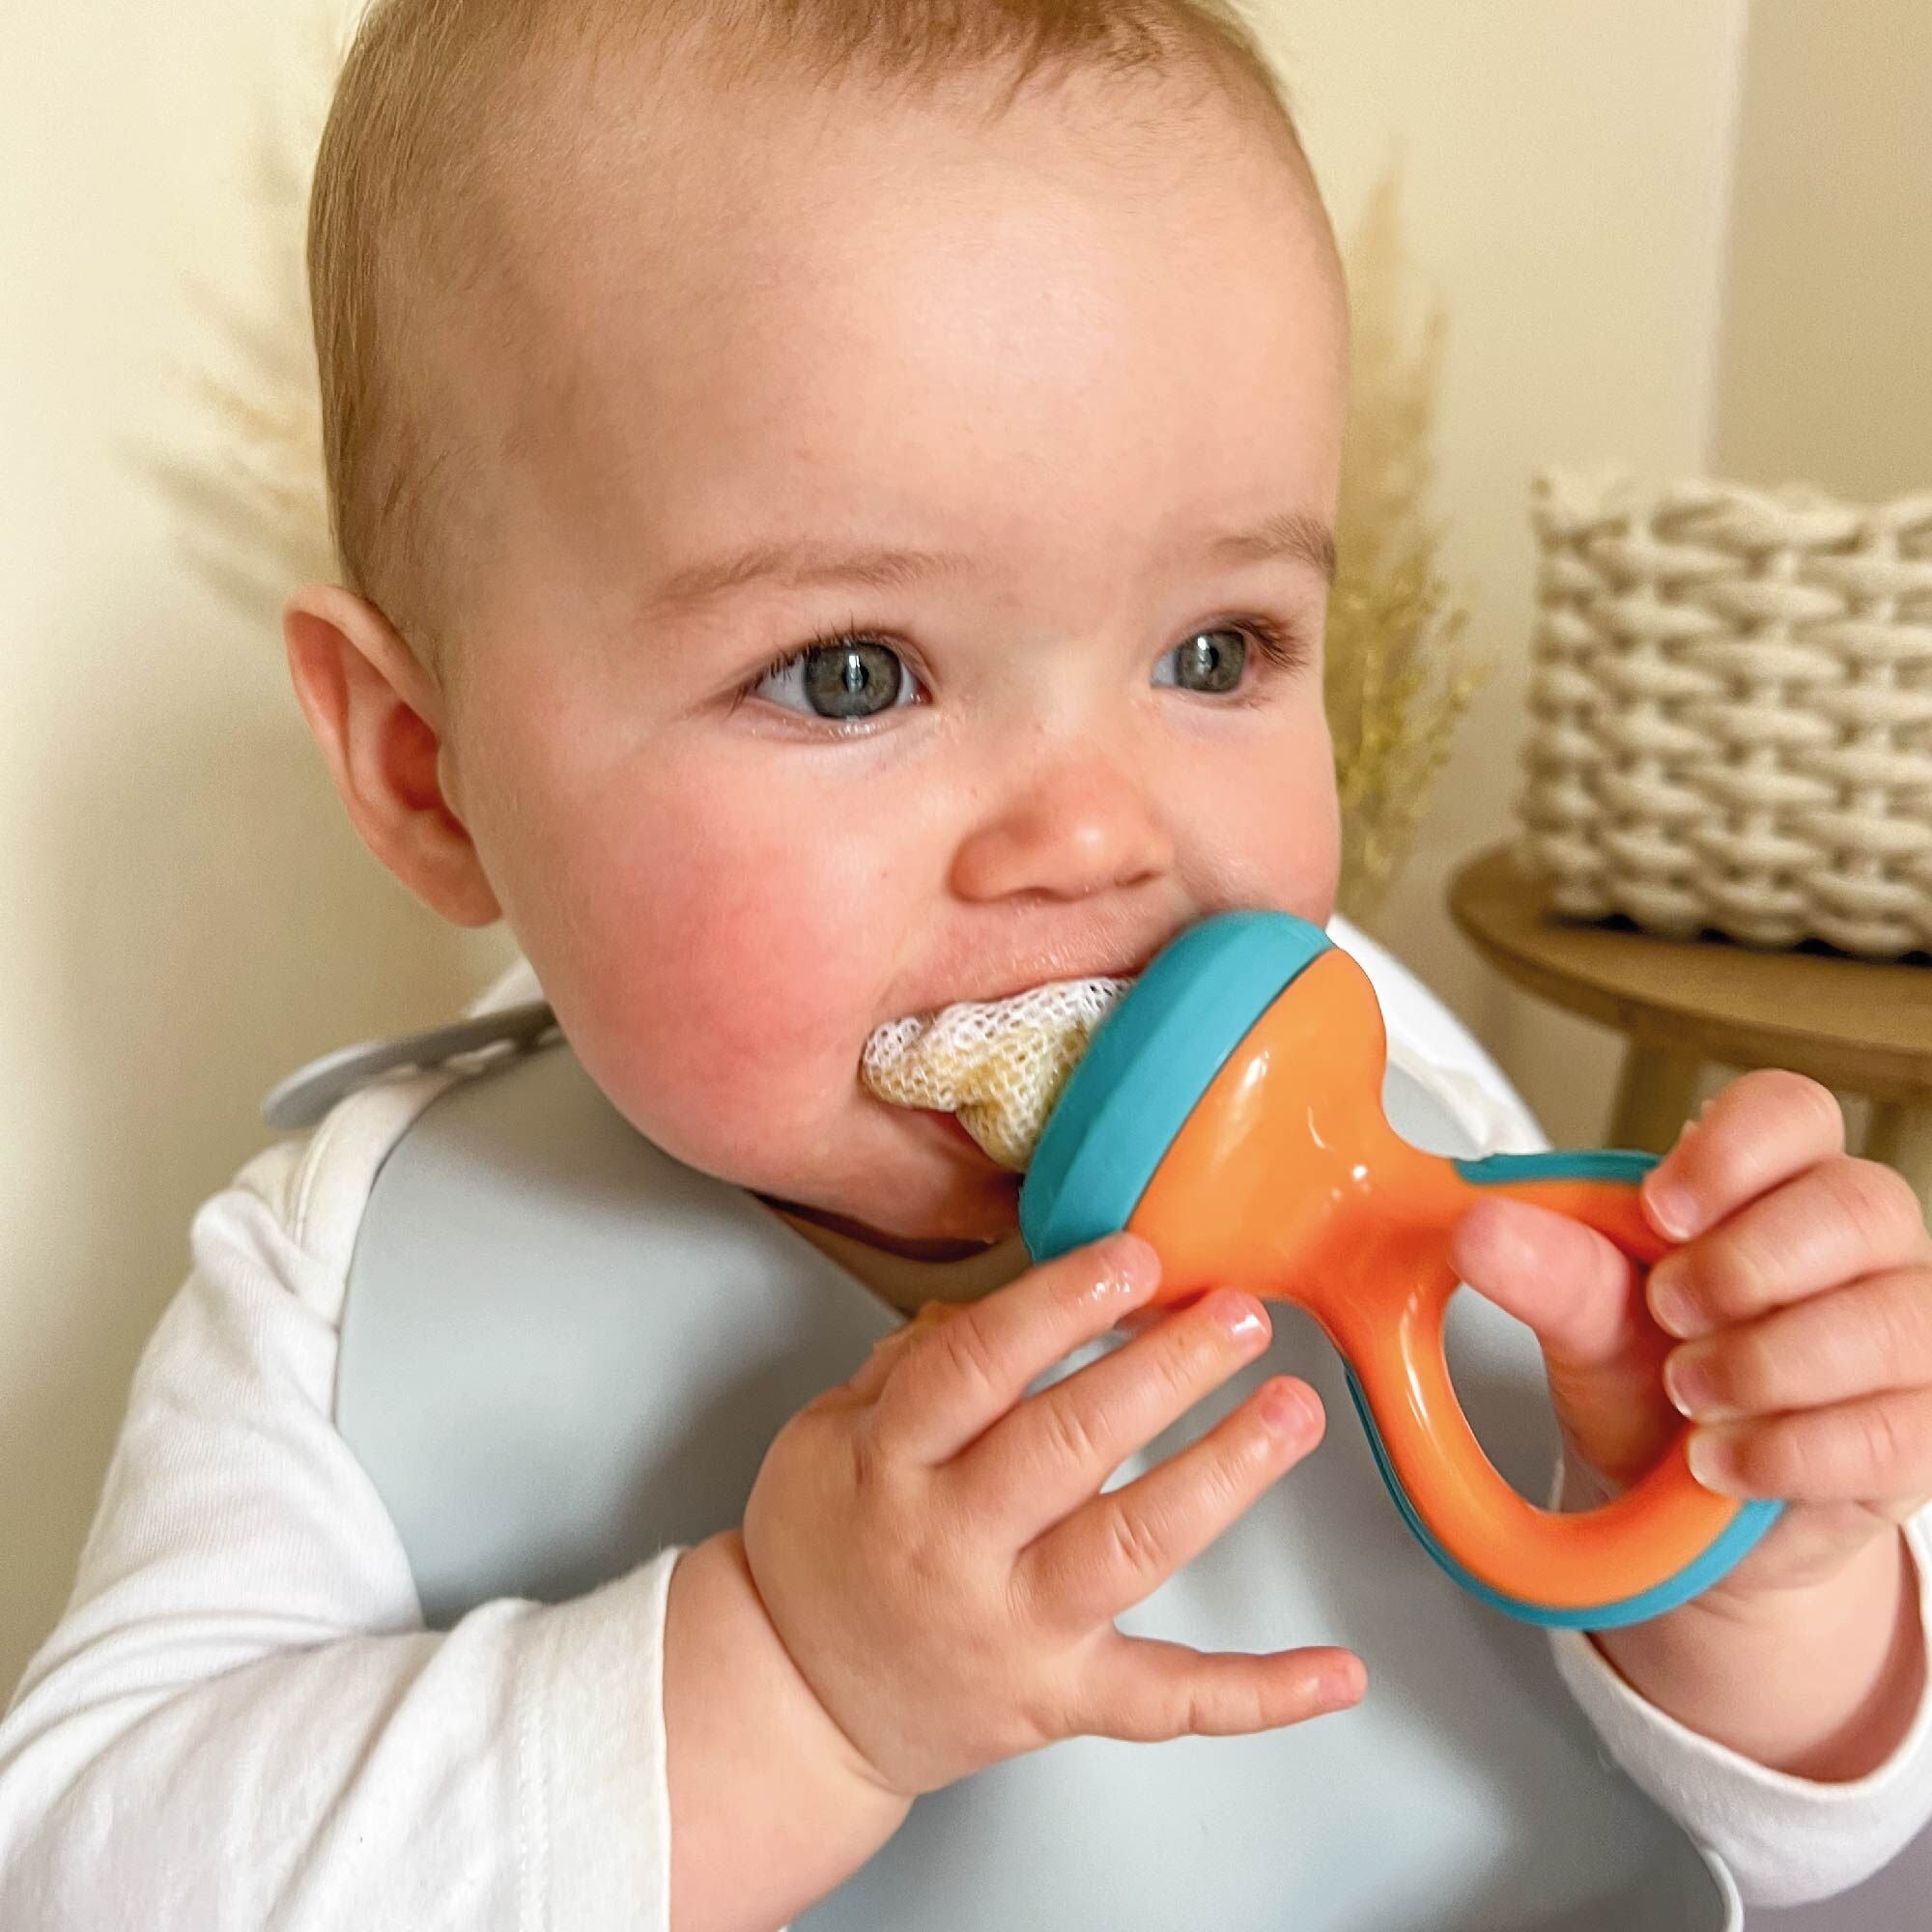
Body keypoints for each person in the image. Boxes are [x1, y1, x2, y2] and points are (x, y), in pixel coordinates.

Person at [3, 2, 1928, 1925]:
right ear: (432, 773)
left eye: (1216, 652)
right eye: (853, 674)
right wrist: (789, 1692)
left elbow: (1827, 1842)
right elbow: (86, 1870)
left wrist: (1767, 1571)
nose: (1094, 834)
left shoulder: (1425, 1135)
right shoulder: (359, 1280)